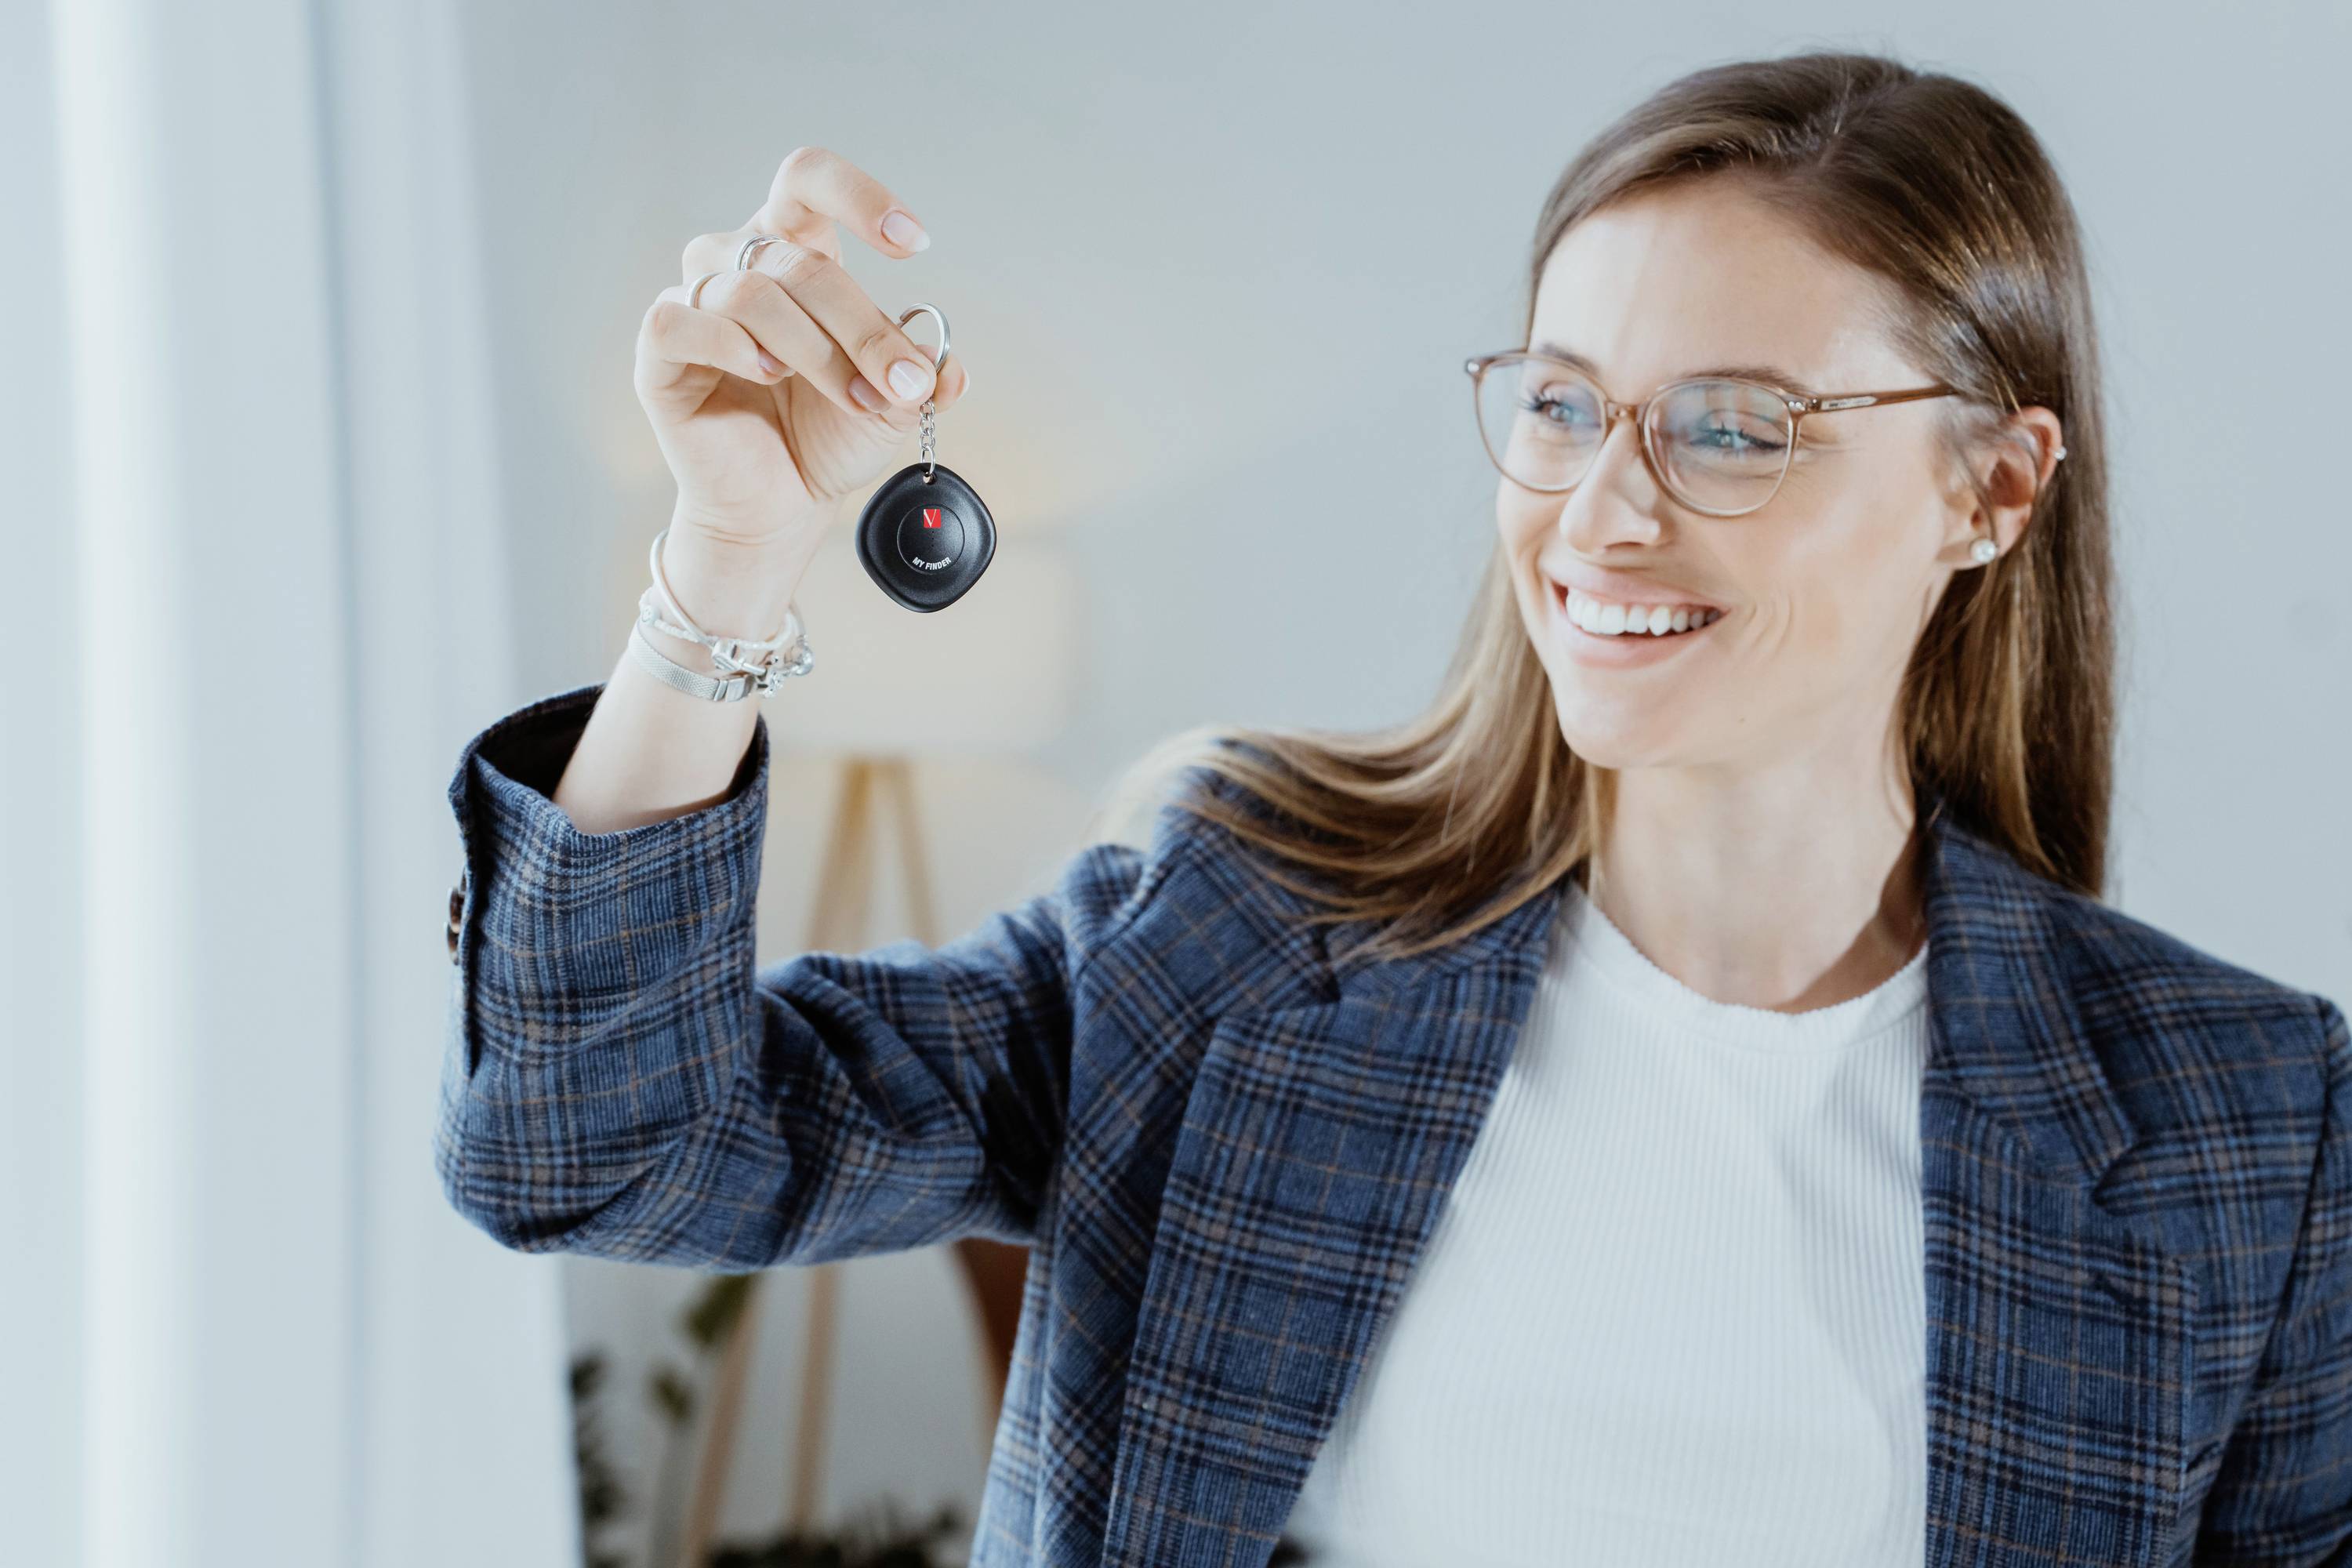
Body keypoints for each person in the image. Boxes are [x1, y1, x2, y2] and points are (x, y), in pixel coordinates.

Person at [435, 49, 2350, 1568]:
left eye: (1737, 426)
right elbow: (588, 1148)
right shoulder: (1233, 926)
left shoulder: (2247, 1131)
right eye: (1562, 402)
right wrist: (727, 566)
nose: (1604, 512)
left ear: (1992, 491)